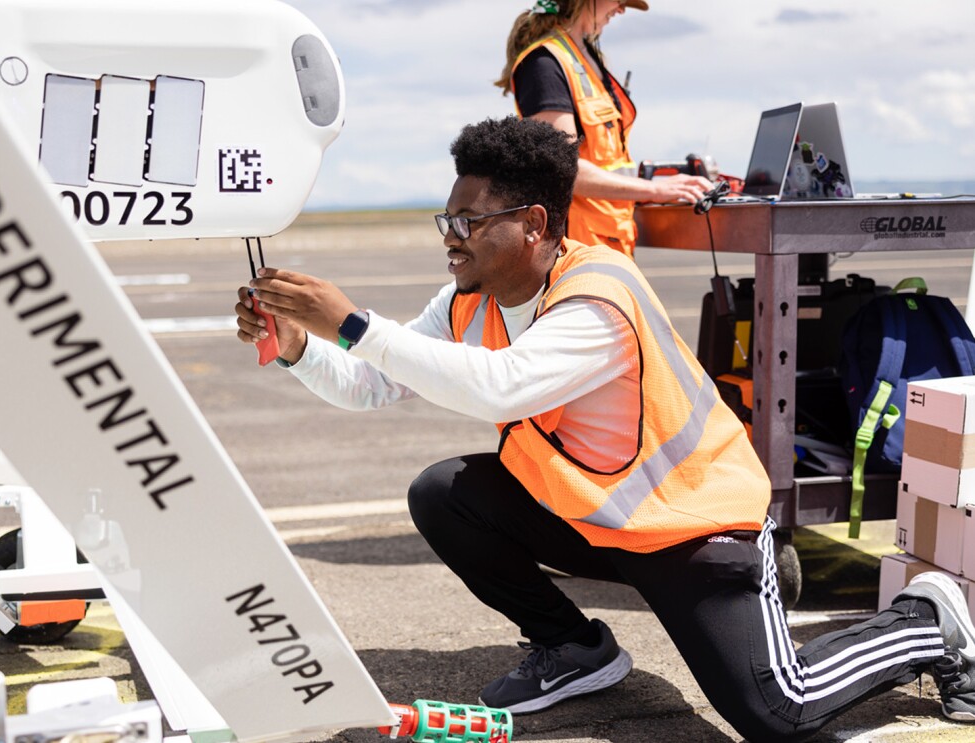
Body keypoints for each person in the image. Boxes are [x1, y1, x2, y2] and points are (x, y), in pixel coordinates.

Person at [233, 116, 975, 741]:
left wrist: (353, 322)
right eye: (447, 220)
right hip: (602, 521)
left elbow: (500, 383)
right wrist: (299, 346)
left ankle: (924, 620)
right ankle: (576, 648)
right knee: (445, 493)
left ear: (532, 225)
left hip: (693, 533)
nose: (451, 238)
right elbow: (373, 382)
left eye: (468, 222)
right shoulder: (471, 296)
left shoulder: (598, 297)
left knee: (777, 710)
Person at [496, 0, 712, 256]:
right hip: (575, 248)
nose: (621, 9)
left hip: (608, 239)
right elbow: (562, 168)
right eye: (619, 0)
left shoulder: (585, 58)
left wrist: (659, 188)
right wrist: (656, 189)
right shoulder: (545, 63)